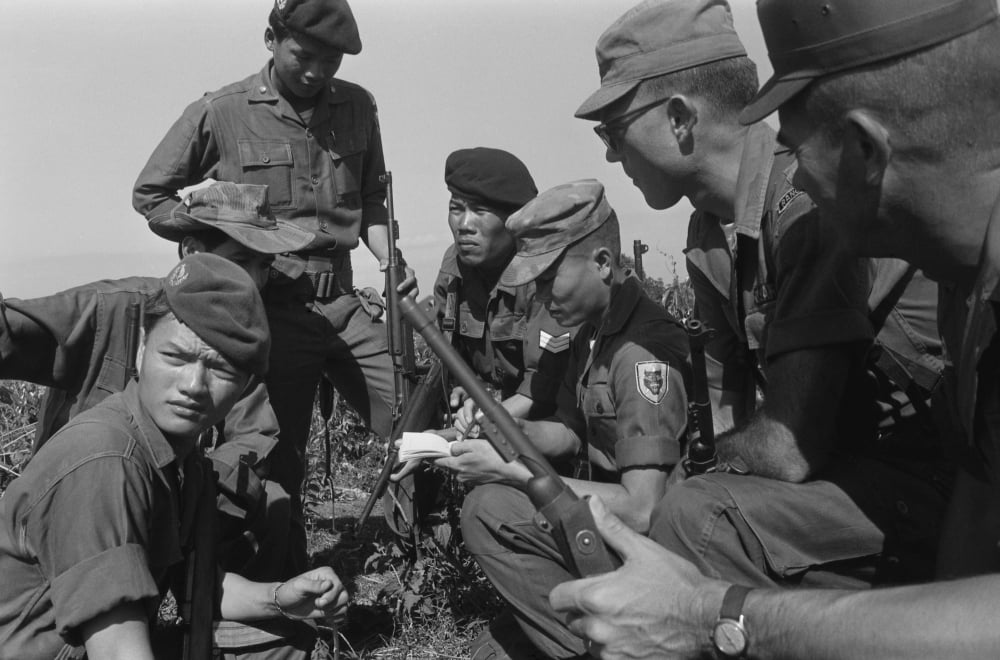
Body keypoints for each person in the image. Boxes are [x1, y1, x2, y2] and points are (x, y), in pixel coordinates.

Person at [549, 0, 1000, 657]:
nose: (783, 157)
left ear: (862, 150)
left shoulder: (806, 217)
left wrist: (720, 618)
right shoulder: (971, 286)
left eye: (792, 132)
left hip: (891, 481)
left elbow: (792, 446)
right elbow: (978, 493)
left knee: (700, 520)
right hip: (902, 492)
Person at [132, 0, 415, 574]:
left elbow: (368, 200)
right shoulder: (222, 111)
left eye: (330, 60)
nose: (316, 71)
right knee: (273, 457)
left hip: (343, 300)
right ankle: (282, 581)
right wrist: (220, 228)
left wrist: (392, 261)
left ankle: (418, 554)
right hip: (271, 308)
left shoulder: (358, 106)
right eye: (303, 55)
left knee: (416, 420)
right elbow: (152, 196)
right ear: (271, 39)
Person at [0, 253, 348, 660]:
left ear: (246, 385)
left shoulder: (180, 459)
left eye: (219, 369)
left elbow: (200, 585)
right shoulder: (107, 460)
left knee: (284, 644)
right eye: (177, 358)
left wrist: (279, 597)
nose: (194, 386)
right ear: (141, 350)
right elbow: (117, 651)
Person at [0, 181, 312, 583]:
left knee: (272, 502)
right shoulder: (111, 307)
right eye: (240, 260)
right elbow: (11, 335)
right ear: (191, 251)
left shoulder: (236, 336)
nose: (253, 280)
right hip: (81, 503)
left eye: (263, 266)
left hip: (173, 506)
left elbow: (255, 435)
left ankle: (223, 619)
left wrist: (190, 493)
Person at [441, 180, 689, 659]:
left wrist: (510, 471)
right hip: (608, 522)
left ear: (601, 263)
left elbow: (645, 508)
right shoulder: (592, 332)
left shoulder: (641, 354)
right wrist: (498, 430)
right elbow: (572, 433)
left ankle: (615, 647)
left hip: (657, 547)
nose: (540, 296)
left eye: (549, 277)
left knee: (489, 508)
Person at [433, 147, 575, 433]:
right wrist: (468, 389)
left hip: (549, 424)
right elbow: (452, 361)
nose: (463, 226)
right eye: (456, 209)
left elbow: (545, 387)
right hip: (494, 414)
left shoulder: (542, 275)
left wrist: (483, 417)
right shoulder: (453, 271)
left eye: (480, 211)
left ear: (514, 220)